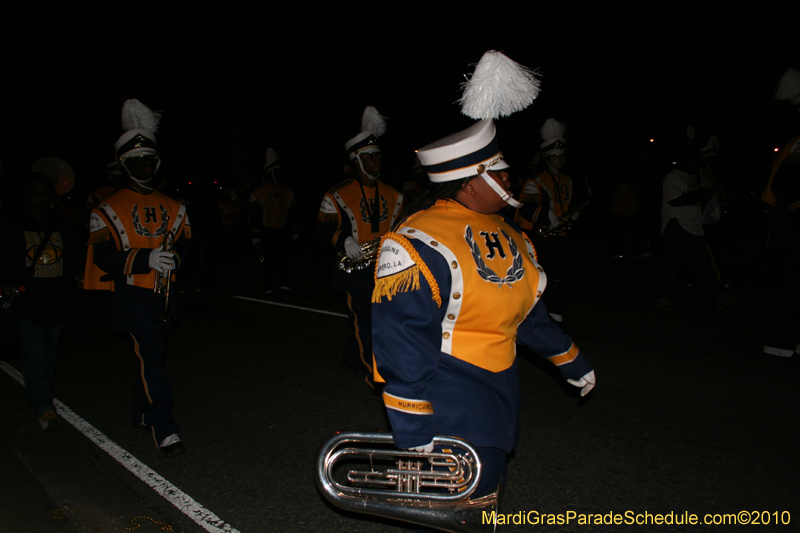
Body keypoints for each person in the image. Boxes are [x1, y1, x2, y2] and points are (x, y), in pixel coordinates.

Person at [371, 52, 595, 528]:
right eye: (498, 171)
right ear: (469, 184)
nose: (510, 177)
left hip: (499, 383)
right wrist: (412, 423)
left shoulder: (513, 233)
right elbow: (401, 338)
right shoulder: (415, 242)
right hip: (446, 387)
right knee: (462, 507)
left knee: (478, 500)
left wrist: (567, 357)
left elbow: (524, 309)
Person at [84, 99, 190, 457]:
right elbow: (103, 257)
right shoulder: (107, 208)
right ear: (126, 165)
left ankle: (141, 412)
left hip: (164, 296)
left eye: (149, 158)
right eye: (137, 160)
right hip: (133, 296)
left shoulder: (175, 205)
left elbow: (186, 246)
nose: (145, 164)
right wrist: (146, 258)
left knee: (151, 356)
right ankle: (164, 425)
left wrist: (175, 258)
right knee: (153, 358)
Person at [316, 106, 403, 388]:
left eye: (378, 155)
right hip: (355, 269)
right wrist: (345, 239)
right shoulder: (337, 194)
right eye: (370, 156)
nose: (377, 160)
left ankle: (352, 357)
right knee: (365, 318)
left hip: (386, 267)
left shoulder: (394, 194)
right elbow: (323, 229)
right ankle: (374, 372)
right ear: (357, 160)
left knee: (378, 319)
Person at [0, 173, 82, 430]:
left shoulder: (60, 225)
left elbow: (72, 257)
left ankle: (43, 394)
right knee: (35, 354)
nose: (39, 198)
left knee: (49, 353)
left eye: (44, 193)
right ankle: (44, 407)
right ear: (26, 197)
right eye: (34, 193)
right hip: (29, 301)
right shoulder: (14, 224)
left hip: (57, 300)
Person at [514, 118, 591, 324]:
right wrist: (548, 216)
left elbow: (567, 202)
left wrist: (572, 215)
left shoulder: (567, 179)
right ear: (547, 157)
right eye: (556, 155)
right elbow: (527, 208)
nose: (560, 159)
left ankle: (553, 307)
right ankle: (534, 314)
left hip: (561, 235)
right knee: (542, 278)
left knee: (575, 274)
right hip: (540, 237)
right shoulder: (535, 181)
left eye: (562, 155)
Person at [654, 140, 737, 310]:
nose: (696, 165)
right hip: (677, 226)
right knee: (672, 264)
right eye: (694, 162)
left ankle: (719, 296)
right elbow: (675, 200)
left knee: (702, 265)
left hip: (694, 227)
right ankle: (660, 296)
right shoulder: (673, 177)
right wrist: (700, 194)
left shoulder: (693, 176)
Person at [761, 68, 800, 357]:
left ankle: (783, 343)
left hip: (789, 222)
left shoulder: (793, 142)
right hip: (792, 221)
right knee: (791, 283)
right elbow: (786, 185)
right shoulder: (793, 144)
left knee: (790, 283)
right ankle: (781, 343)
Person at [248, 147, 297, 293]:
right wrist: (255, 238)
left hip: (282, 230)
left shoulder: (288, 191)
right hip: (266, 231)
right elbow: (254, 216)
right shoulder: (258, 193)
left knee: (284, 259)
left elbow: (293, 214)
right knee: (267, 261)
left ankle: (282, 281)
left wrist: (295, 232)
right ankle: (267, 285)